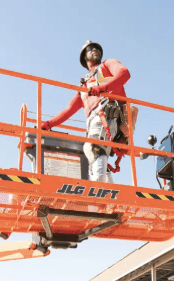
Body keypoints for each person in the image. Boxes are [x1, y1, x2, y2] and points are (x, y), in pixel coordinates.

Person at [39, 40, 131, 183]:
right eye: (90, 48)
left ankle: (99, 192)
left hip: (106, 116)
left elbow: (124, 73)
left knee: (93, 147)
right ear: (84, 57)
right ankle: (109, 197)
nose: (94, 49)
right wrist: (48, 124)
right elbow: (69, 109)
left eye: (96, 48)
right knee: (94, 158)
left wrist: (102, 88)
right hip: (94, 123)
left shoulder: (106, 65)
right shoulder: (84, 86)